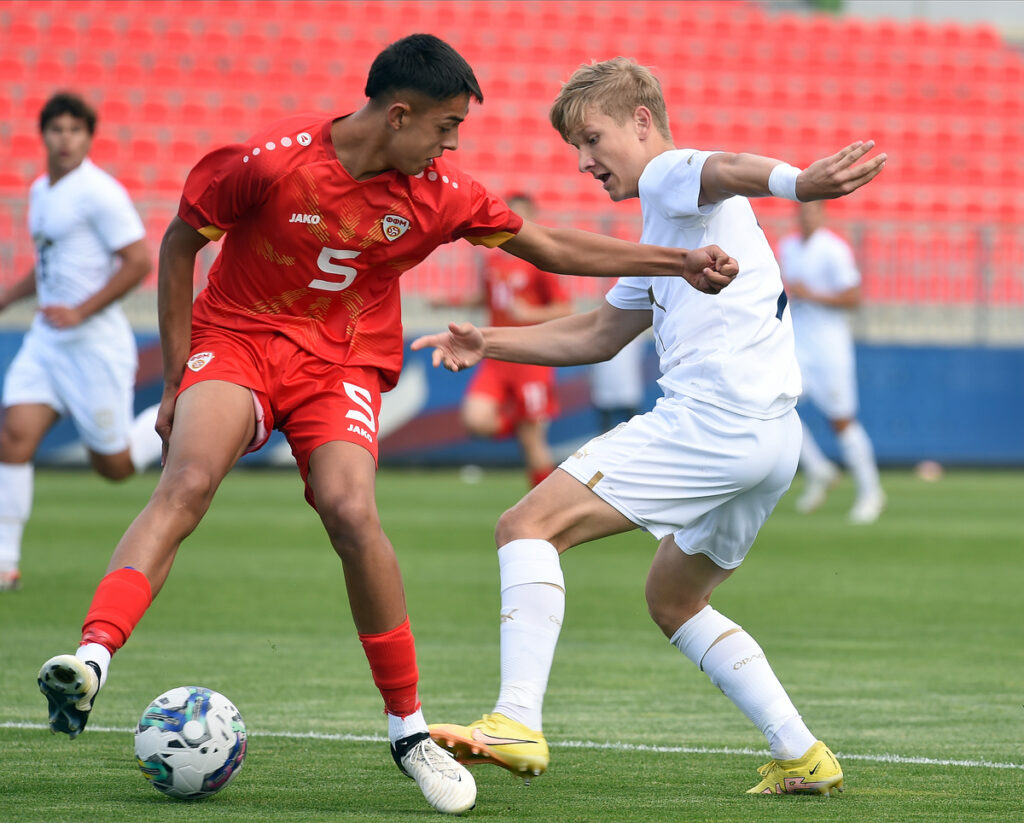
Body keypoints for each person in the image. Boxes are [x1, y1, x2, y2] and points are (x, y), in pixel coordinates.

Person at [35, 38, 737, 816]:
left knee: (352, 511)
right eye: (445, 126)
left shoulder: (441, 195)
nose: (452, 145)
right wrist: (175, 376)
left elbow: (552, 246)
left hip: (340, 362)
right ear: (398, 115)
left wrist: (675, 261)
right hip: (238, 339)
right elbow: (179, 244)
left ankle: (408, 731)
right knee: (189, 479)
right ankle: (91, 657)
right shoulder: (269, 164)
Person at [414, 57, 886, 797]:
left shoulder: (669, 174)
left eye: (592, 139)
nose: (583, 161)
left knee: (525, 526)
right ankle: (802, 753)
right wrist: (488, 342)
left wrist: (800, 183)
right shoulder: (665, 235)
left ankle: (516, 719)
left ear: (640, 122)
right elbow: (598, 334)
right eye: (575, 148)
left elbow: (727, 166)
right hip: (772, 442)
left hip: (713, 423)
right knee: (675, 599)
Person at [0, 92, 162, 593]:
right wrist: (7, 298)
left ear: (89, 138)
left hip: (94, 344)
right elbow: (49, 264)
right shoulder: (40, 190)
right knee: (13, 437)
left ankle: (169, 421)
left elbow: (139, 261)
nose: (65, 139)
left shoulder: (100, 193)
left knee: (114, 466)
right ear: (44, 135)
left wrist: (80, 310)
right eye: (57, 130)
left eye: (75, 130)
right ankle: (6, 562)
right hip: (47, 342)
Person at [777, 201, 885, 524]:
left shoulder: (834, 250)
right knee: (778, 405)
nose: (806, 217)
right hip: (799, 343)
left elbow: (853, 297)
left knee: (841, 420)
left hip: (830, 347)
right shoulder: (788, 247)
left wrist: (812, 294)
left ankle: (871, 492)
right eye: (802, 211)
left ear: (823, 214)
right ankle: (818, 468)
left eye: (813, 211)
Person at [457, 193, 573, 487]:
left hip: (531, 357)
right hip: (496, 353)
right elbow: (487, 298)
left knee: (533, 443)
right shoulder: (493, 261)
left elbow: (565, 309)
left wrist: (530, 313)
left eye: (522, 215)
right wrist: (447, 302)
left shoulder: (541, 263)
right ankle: (521, 424)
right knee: (475, 419)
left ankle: (547, 503)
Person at [589, 331, 646, 430]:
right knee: (606, 429)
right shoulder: (598, 334)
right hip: (604, 387)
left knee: (635, 427)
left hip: (628, 387)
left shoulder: (633, 333)